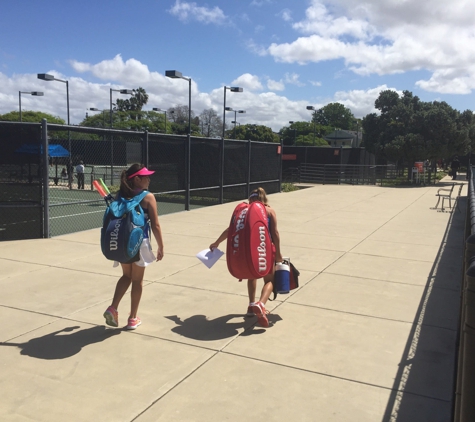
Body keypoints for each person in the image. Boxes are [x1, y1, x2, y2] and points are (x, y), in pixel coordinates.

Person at [209, 187, 282, 328]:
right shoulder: (269, 211)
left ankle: (250, 305)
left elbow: (231, 230)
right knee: (270, 280)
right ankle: (261, 304)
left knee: (251, 276)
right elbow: (275, 234)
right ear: (264, 198)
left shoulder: (244, 212)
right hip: (266, 250)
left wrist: (217, 242)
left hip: (249, 252)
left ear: (250, 199)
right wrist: (278, 253)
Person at [103, 164, 164, 330]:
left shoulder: (120, 195)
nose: (149, 179)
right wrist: (161, 246)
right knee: (137, 280)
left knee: (126, 276)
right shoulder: (148, 197)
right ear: (137, 179)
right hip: (139, 244)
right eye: (146, 177)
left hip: (122, 242)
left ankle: (113, 308)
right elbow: (156, 225)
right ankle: (132, 318)